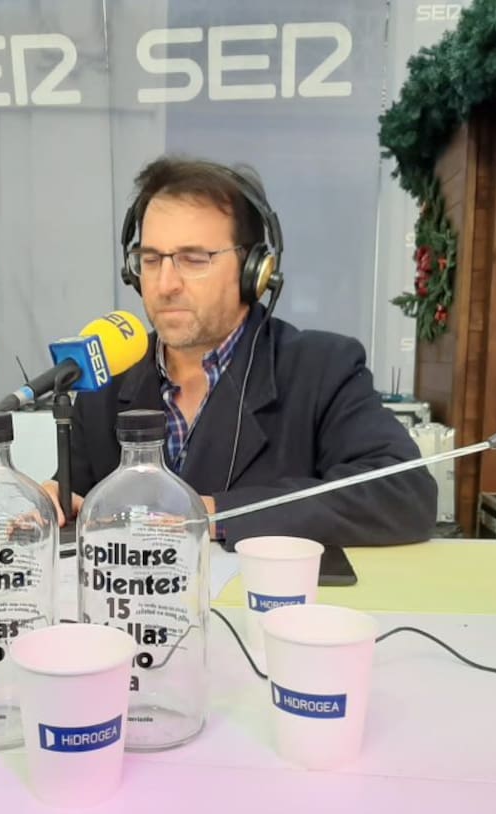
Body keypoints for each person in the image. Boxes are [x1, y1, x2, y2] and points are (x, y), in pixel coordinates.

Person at [42, 156, 437, 548]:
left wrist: (216, 514)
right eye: (150, 259)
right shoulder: (108, 378)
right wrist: (56, 502)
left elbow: (403, 493)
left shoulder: (322, 369)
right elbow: (77, 495)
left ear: (254, 270)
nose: (165, 284)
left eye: (193, 259)